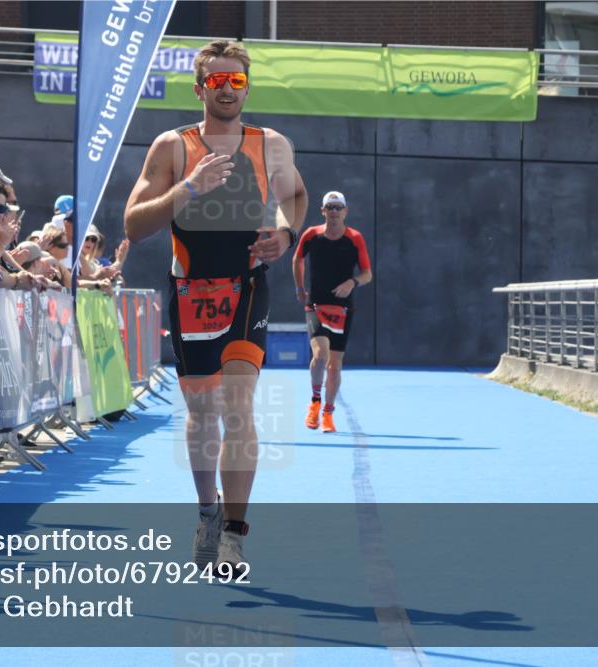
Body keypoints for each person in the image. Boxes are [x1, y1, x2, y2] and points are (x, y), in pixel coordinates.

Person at [124, 40, 307, 573]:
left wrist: (285, 232)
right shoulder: (172, 146)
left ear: (248, 85)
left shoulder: (271, 144)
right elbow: (134, 225)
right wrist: (187, 187)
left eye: (237, 81)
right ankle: (207, 513)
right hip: (190, 292)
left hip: (249, 285)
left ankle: (232, 532)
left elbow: (296, 194)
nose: (228, 89)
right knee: (203, 415)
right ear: (199, 86)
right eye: (217, 81)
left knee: (237, 405)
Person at [292, 191, 372, 433]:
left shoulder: (355, 238)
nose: (334, 211)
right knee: (320, 355)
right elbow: (297, 260)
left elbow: (367, 273)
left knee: (335, 366)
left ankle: (328, 412)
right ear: (323, 211)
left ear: (345, 211)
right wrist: (299, 287)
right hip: (315, 304)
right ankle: (315, 402)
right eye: (330, 207)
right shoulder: (311, 235)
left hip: (343, 309)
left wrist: (352, 283)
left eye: (338, 207)